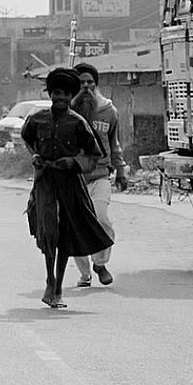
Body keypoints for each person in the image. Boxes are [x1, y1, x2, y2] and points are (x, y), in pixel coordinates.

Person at [22, 68, 112, 309]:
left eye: (65, 95)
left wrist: (73, 162)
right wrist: (35, 156)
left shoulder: (78, 123)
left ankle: (58, 285)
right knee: (48, 232)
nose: (61, 98)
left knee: (64, 235)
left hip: (70, 184)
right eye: (57, 94)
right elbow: (27, 138)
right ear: (50, 94)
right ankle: (49, 279)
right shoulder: (37, 119)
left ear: (71, 96)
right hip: (44, 182)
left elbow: (94, 155)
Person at [71, 62, 123, 287]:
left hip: (100, 175)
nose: (86, 87)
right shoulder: (68, 112)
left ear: (96, 84)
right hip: (73, 177)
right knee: (75, 226)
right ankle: (84, 273)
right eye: (81, 83)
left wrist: (121, 171)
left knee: (101, 219)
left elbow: (114, 144)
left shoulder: (108, 111)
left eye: (90, 82)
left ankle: (100, 263)